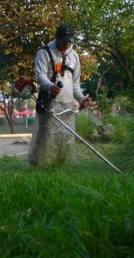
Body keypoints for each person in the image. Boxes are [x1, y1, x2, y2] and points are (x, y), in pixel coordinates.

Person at [27, 23, 91, 167]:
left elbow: (75, 83)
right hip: (49, 101)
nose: (67, 44)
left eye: (70, 41)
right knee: (46, 135)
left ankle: (63, 164)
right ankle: (38, 164)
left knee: (66, 136)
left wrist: (81, 98)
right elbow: (40, 75)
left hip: (67, 103)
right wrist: (50, 86)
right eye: (64, 41)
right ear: (56, 38)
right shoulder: (44, 52)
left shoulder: (74, 57)